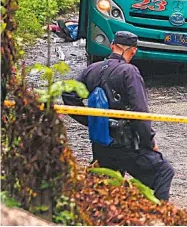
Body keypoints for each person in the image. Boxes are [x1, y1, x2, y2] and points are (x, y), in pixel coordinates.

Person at [63, 31, 174, 200]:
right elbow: (140, 112)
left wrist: (93, 121)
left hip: (101, 146)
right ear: (133, 51)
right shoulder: (129, 72)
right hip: (127, 145)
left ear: (112, 46)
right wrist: (150, 141)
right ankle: (159, 217)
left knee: (104, 191)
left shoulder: (92, 69)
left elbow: (69, 96)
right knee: (164, 172)